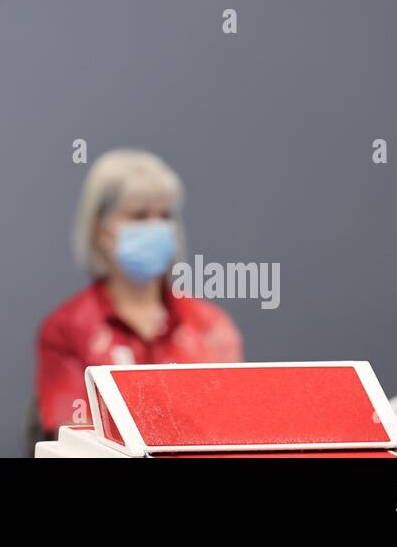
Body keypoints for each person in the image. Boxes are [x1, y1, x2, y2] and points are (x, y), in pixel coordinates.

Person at [32, 149, 243, 444]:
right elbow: (71, 438)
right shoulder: (67, 329)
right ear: (101, 231)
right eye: (139, 215)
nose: (156, 227)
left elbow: (235, 431)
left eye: (165, 215)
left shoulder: (210, 325)